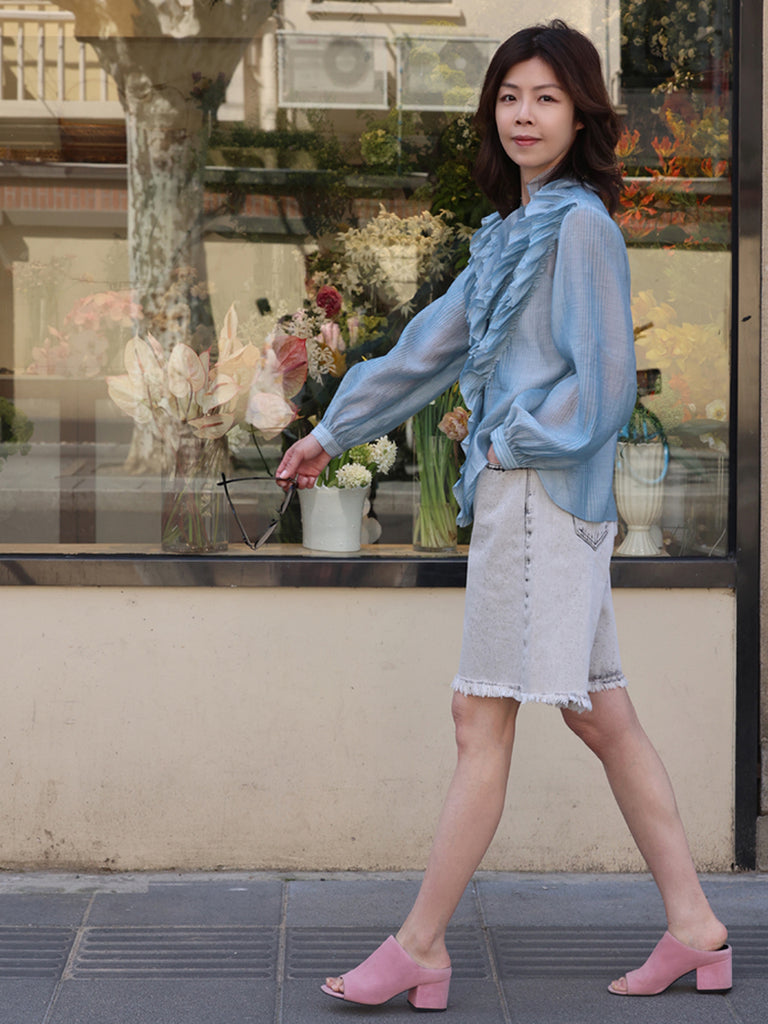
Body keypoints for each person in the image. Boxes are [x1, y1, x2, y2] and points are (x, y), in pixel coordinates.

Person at [276, 19, 731, 1011]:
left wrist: (510, 438)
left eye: (548, 98)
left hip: (539, 501)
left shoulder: (580, 227)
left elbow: (605, 388)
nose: (525, 115)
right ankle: (696, 925)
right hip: (538, 506)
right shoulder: (511, 232)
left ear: (582, 115)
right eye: (511, 96)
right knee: (601, 712)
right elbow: (426, 349)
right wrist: (332, 429)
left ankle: (422, 945)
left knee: (478, 716)